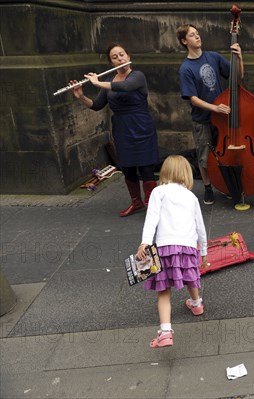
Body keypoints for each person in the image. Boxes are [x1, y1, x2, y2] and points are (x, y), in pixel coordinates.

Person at [71, 43, 159, 217]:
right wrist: (81, 96)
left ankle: (152, 207)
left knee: (146, 169)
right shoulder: (110, 81)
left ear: (128, 55)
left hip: (141, 127)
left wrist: (97, 82)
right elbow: (96, 105)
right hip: (122, 129)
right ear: (111, 63)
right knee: (127, 168)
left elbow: (125, 87)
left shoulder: (138, 76)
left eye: (122, 54)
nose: (120, 59)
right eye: (115, 57)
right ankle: (136, 203)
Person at [137, 155, 209, 348]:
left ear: (164, 172)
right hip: (187, 246)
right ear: (187, 174)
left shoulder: (158, 192)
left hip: (164, 247)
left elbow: (151, 218)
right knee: (190, 276)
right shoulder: (191, 197)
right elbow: (200, 227)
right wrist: (203, 251)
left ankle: (166, 332)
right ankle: (196, 304)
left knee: (164, 291)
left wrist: (145, 242)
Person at [176, 23, 244, 205]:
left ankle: (226, 185)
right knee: (204, 156)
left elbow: (237, 77)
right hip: (203, 119)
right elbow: (193, 99)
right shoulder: (185, 69)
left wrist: (239, 58)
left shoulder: (213, 57)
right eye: (192, 35)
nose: (197, 36)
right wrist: (215, 108)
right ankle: (207, 188)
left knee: (224, 154)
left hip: (221, 119)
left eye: (197, 33)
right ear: (184, 41)